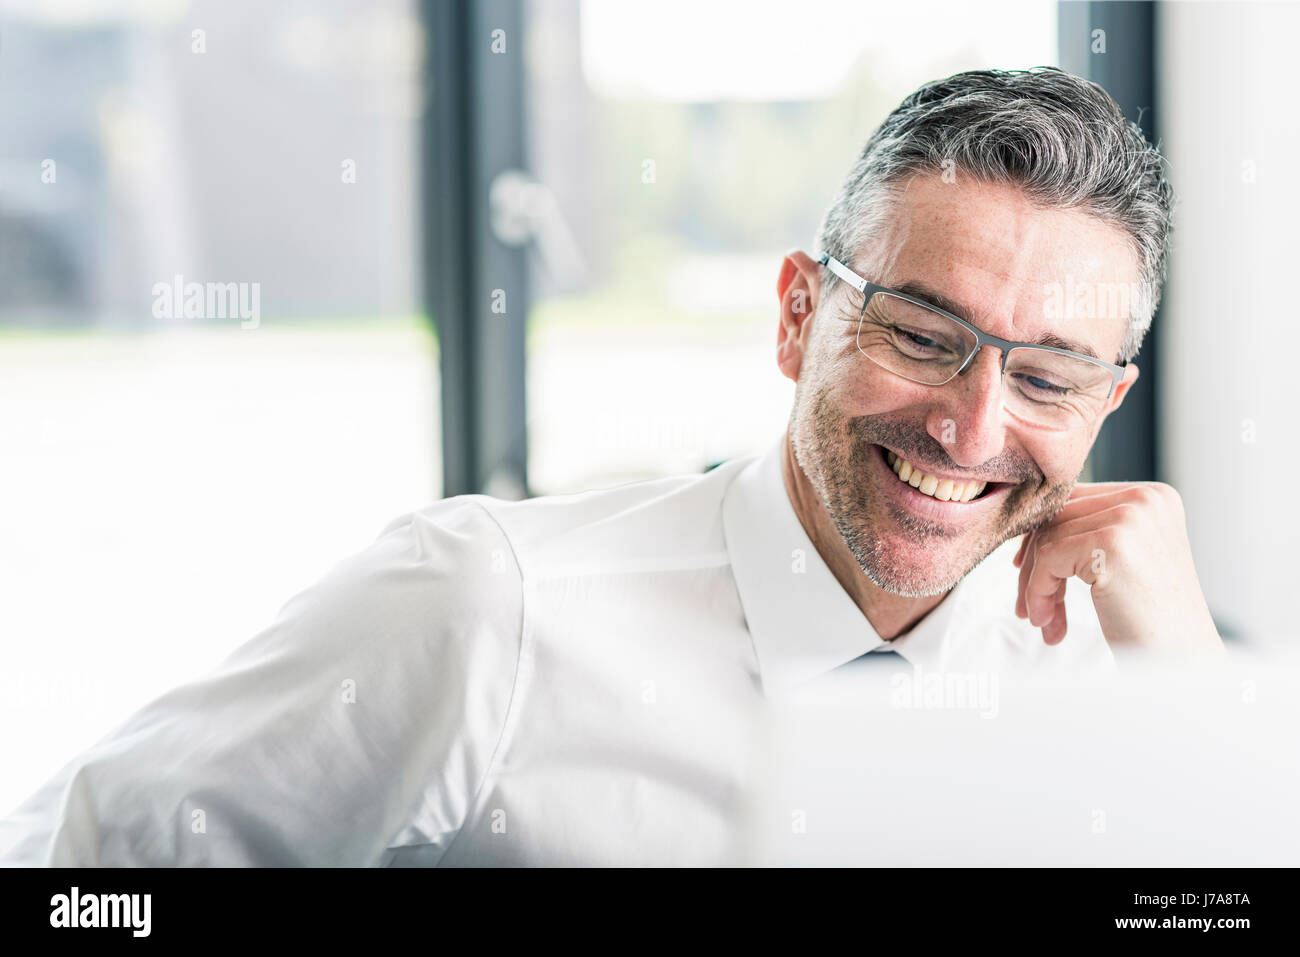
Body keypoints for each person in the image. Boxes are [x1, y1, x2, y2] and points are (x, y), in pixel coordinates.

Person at [0, 66, 1224, 867]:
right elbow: (87, 870)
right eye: (918, 334)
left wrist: (1196, 708)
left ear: (1108, 405)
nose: (969, 428)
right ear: (799, 315)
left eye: (1047, 378)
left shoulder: (1120, 680)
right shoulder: (490, 607)